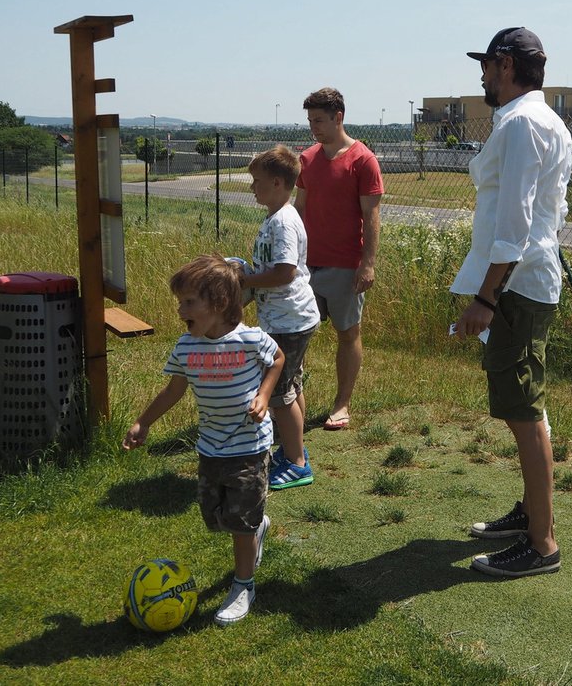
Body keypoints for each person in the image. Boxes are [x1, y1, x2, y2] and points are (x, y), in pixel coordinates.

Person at [451, 27, 572, 578]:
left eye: (485, 65)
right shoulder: (534, 120)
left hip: (516, 288)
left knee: (524, 411)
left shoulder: (524, 122)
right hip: (522, 285)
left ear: (505, 65)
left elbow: (516, 224)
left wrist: (486, 296)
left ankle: (541, 544)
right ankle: (531, 516)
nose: (480, 76)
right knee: (526, 406)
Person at [123, 254, 285, 625]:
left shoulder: (249, 339)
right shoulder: (186, 347)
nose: (181, 309)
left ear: (219, 303)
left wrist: (263, 396)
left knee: (239, 524)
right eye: (180, 301)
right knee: (217, 518)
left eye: (189, 302)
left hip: (249, 446)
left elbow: (277, 359)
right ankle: (256, 526)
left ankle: (243, 584)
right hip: (210, 447)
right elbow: (172, 392)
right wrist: (142, 423)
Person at [295, 87, 384, 431]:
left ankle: (341, 404)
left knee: (348, 334)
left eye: (319, 120)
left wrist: (368, 263)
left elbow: (372, 216)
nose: (313, 126)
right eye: (310, 120)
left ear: (338, 118)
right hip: (305, 267)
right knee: (295, 333)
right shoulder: (307, 159)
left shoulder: (363, 159)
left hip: (346, 266)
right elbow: (298, 209)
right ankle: (290, 402)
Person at [241, 145, 319, 490]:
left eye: (256, 181)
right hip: (284, 318)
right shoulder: (275, 216)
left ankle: (298, 463)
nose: (252, 187)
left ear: (276, 183)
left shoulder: (284, 222)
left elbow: (285, 272)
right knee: (290, 386)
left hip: (289, 320)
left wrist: (243, 281)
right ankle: (293, 449)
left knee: (278, 394)